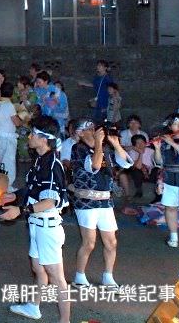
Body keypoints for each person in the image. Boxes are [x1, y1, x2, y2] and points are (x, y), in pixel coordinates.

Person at [0, 118, 71, 323]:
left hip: (47, 226)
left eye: (32, 133)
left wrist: (20, 209)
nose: (29, 137)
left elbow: (49, 200)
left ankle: (65, 321)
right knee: (39, 269)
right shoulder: (40, 158)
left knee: (57, 278)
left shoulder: (51, 164)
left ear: (43, 138)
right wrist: (15, 196)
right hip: (37, 225)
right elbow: (33, 189)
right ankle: (34, 307)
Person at [70, 117, 132, 289]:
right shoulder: (78, 149)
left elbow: (126, 164)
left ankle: (108, 276)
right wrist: (98, 143)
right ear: (79, 133)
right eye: (87, 127)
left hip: (105, 200)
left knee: (111, 242)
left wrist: (116, 143)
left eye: (93, 126)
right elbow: (95, 165)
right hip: (86, 201)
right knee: (89, 242)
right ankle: (79, 276)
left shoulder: (106, 147)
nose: (92, 129)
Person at [153, 113, 179, 248]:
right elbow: (159, 162)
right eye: (175, 123)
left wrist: (171, 142)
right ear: (169, 127)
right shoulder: (165, 141)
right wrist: (157, 148)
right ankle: (174, 237)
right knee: (170, 207)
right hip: (169, 180)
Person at [0, 82, 22, 191]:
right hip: (7, 138)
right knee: (8, 163)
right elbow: (17, 122)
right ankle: (7, 186)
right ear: (12, 93)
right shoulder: (9, 105)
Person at [119, 133, 160, 203]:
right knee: (136, 171)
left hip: (150, 173)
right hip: (139, 174)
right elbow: (138, 166)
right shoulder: (132, 152)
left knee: (157, 170)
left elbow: (157, 163)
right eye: (137, 143)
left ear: (145, 143)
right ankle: (139, 190)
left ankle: (157, 194)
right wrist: (140, 153)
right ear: (134, 145)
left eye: (142, 142)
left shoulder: (151, 151)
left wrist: (149, 169)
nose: (140, 144)